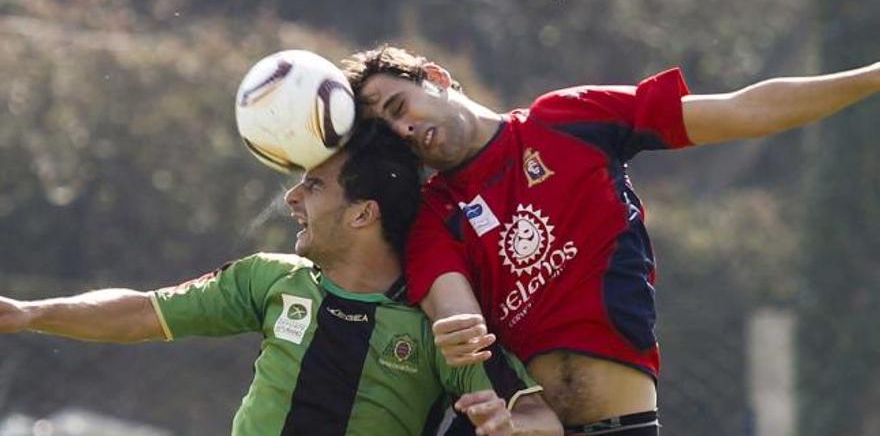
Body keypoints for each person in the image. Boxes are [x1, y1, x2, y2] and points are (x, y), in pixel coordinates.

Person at [342, 46, 880, 435]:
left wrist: (873, 75)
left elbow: (744, 110)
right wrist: (458, 333)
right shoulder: (435, 216)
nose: (405, 131)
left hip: (625, 424)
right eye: (390, 136)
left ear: (435, 76)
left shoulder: (568, 119)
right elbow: (454, 310)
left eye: (398, 108)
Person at [0, 120, 563, 436]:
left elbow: (537, 414)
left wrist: (514, 423)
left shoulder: (441, 328)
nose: (291, 197)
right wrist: (30, 313)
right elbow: (145, 311)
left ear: (363, 213)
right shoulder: (270, 281)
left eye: (314, 187)